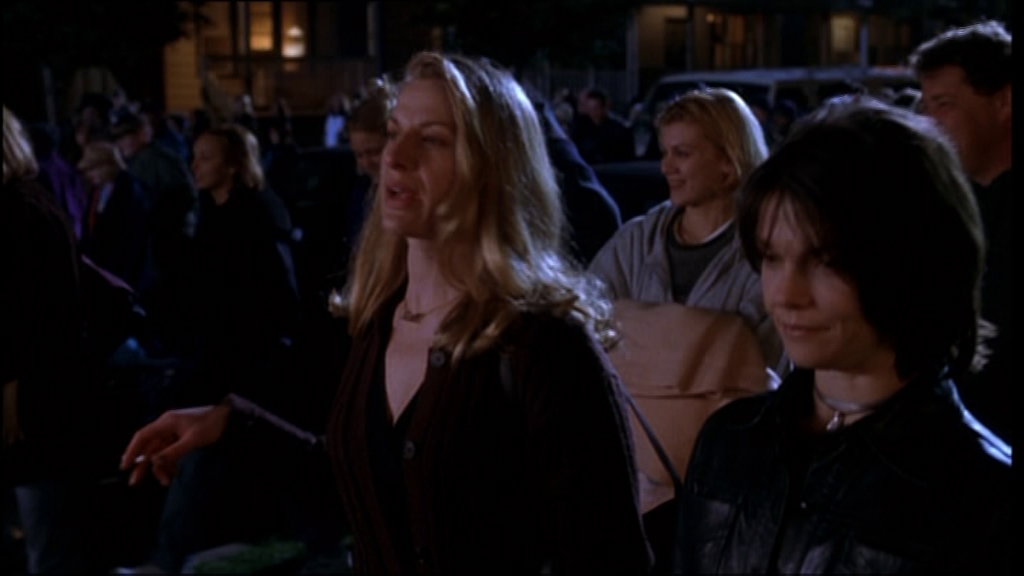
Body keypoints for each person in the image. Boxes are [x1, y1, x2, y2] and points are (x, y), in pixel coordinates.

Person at [120, 52, 651, 575]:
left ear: (492, 170)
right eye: (395, 132)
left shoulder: (545, 343)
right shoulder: (379, 322)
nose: (396, 157)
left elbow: (608, 555)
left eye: (432, 139)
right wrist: (231, 424)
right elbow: (368, 483)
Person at [675, 97, 1011, 574]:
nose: (785, 295)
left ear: (913, 263)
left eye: (825, 261)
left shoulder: (983, 497)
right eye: (772, 257)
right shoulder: (730, 441)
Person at [589, 88, 785, 374]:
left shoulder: (767, 251)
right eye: (665, 153)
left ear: (729, 163)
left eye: (682, 153)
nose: (666, 167)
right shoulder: (636, 243)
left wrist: (636, 328)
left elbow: (763, 363)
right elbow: (590, 324)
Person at [910, 20, 1012, 443]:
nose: (930, 123)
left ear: (1003, 102)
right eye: (927, 106)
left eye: (945, 104)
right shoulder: (935, 204)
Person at [2, 106, 91, 573]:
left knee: (48, 550)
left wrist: (13, 389)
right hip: (32, 403)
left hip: (34, 409)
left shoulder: (23, 213)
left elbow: (34, 318)